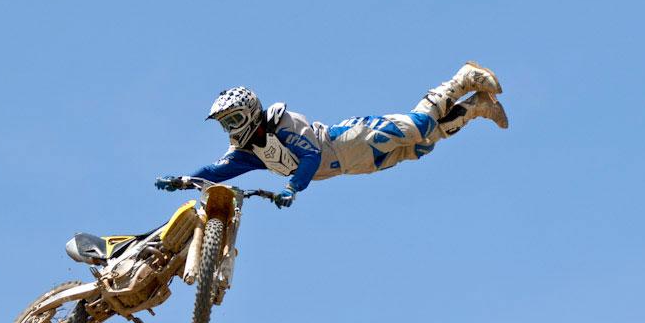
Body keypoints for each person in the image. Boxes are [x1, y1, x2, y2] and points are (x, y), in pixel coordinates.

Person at [155, 62, 508, 208]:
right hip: (353, 166)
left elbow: (309, 157)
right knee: (423, 146)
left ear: (249, 110)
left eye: (233, 119)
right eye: (225, 123)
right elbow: (217, 172)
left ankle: (462, 79)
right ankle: (477, 107)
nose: (231, 128)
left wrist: (293, 187)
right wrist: (185, 180)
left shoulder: (282, 123)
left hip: (351, 138)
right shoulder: (249, 151)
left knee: (419, 127)